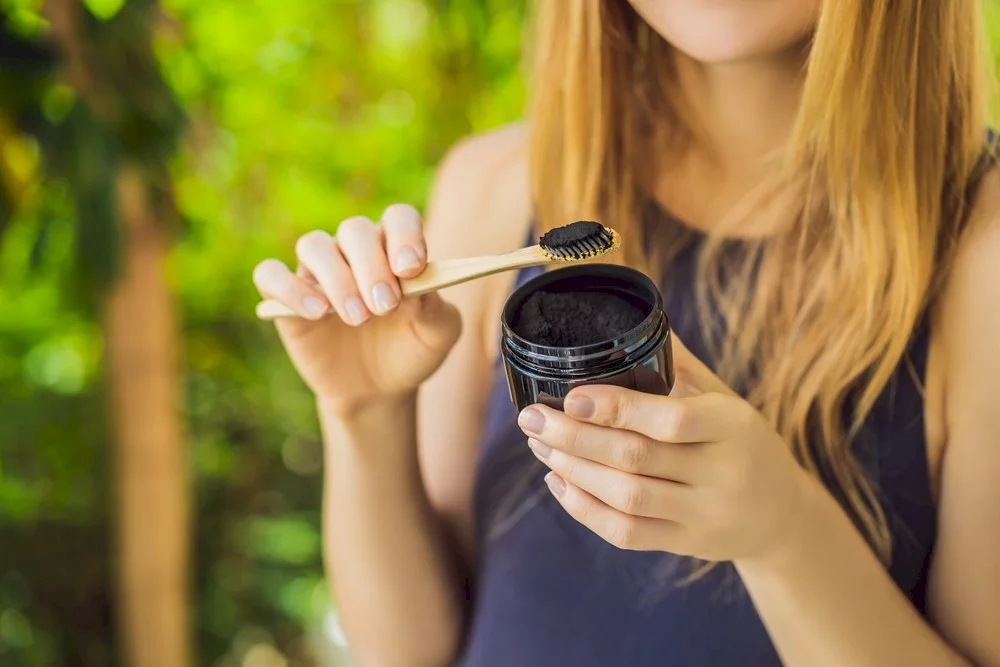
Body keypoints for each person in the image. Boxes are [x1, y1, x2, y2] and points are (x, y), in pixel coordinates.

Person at [251, 1, 1000, 665]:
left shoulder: (983, 258)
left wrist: (785, 535)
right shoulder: (490, 187)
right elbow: (414, 650)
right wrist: (362, 415)